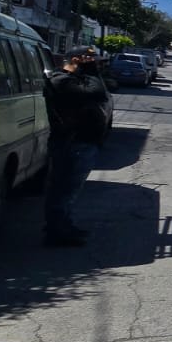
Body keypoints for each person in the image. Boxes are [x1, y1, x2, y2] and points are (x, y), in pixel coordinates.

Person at [41, 48, 111, 247]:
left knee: (69, 190)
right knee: (64, 190)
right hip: (71, 143)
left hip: (81, 142)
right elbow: (98, 93)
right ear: (75, 60)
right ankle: (56, 231)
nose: (95, 64)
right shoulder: (60, 81)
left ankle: (64, 225)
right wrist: (91, 70)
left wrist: (89, 69)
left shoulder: (74, 80)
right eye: (90, 61)